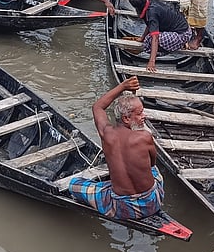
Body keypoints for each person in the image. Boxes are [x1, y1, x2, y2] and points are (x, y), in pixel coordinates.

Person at [67, 76, 165, 220]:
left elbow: (98, 107)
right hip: (152, 202)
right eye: (139, 114)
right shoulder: (145, 137)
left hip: (122, 208)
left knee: (73, 184)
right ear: (126, 119)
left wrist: (123, 86)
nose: (144, 116)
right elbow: (152, 164)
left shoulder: (106, 134)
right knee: (155, 171)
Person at [128, 0, 193, 71]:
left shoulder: (152, 13)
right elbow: (150, 25)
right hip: (182, 30)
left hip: (182, 34)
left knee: (149, 41)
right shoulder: (150, 3)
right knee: (147, 39)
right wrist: (142, 38)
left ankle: (176, 46)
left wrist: (151, 62)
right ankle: (176, 44)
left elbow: (155, 38)